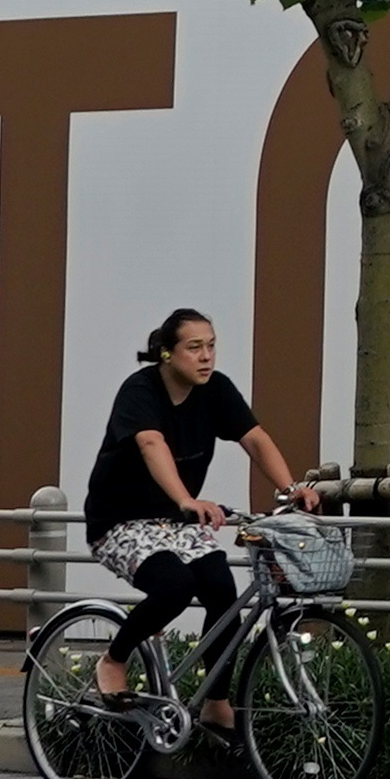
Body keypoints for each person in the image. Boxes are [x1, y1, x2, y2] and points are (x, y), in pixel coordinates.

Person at [78, 307, 295, 729]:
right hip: (120, 522)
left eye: (211, 346)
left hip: (175, 523)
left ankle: (216, 703)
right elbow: (151, 443)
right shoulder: (140, 391)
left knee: (221, 590)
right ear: (166, 354)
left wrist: (289, 490)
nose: (206, 357)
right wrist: (185, 499)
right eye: (194, 348)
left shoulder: (216, 391)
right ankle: (113, 660)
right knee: (174, 588)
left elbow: (255, 438)